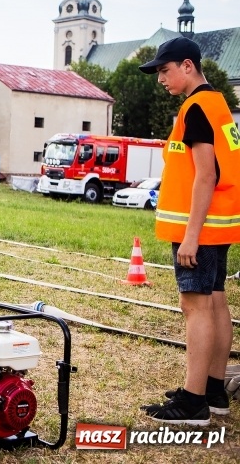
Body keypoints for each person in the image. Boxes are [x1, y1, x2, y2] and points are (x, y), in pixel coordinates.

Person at [138, 38, 239, 425]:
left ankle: (193, 401)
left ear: (186, 66)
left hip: (200, 226)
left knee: (195, 307)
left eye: (164, 70)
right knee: (215, 301)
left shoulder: (196, 108)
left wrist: (192, 235)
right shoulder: (217, 105)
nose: (161, 78)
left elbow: (205, 176)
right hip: (220, 223)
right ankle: (213, 389)